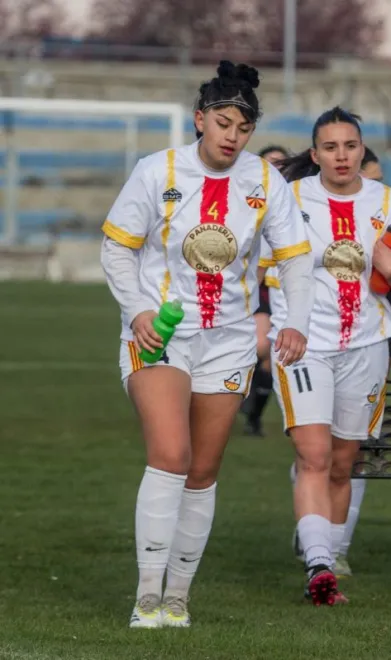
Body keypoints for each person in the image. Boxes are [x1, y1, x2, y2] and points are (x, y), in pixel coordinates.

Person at [101, 61, 313, 628]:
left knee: (202, 470)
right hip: (161, 334)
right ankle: (147, 595)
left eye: (243, 129)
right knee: (172, 455)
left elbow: (295, 259)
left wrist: (294, 322)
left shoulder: (265, 182)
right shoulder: (156, 171)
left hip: (230, 340)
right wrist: (138, 310)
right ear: (200, 119)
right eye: (222, 124)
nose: (231, 137)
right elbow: (117, 247)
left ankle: (178, 598)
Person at [270, 107, 391, 604]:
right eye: (330, 147)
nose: (341, 156)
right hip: (303, 344)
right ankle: (319, 566)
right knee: (314, 456)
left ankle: (330, 557)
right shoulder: (290, 199)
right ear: (315, 153)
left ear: (362, 150)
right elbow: (262, 268)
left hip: (366, 343)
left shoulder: (390, 203)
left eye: (350, 146)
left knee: (343, 463)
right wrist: (273, 319)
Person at [242, 144, 292, 436]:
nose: (277, 168)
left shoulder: (294, 198)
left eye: (282, 163)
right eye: (271, 163)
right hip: (256, 284)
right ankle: (234, 384)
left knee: (274, 357)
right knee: (262, 345)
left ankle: (254, 417)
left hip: (284, 286)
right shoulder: (247, 196)